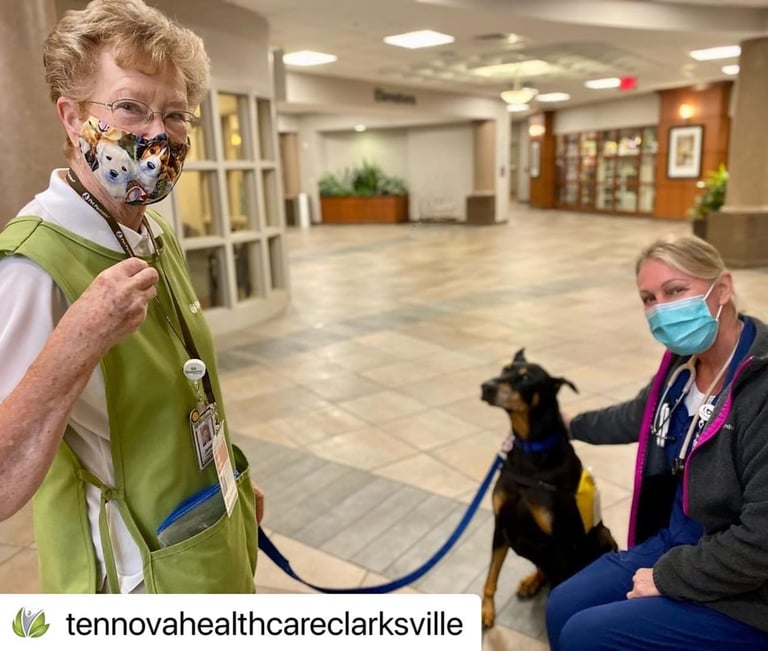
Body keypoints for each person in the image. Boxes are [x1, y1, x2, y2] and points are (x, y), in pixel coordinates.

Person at [0, 0, 263, 593]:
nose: (156, 133)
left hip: (198, 528)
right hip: (129, 576)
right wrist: (81, 336)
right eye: (129, 107)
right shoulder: (33, 263)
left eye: (176, 114)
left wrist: (225, 488)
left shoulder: (149, 230)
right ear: (71, 117)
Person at [544, 235, 768, 650]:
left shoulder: (761, 387)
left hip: (747, 587)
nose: (661, 309)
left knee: (585, 635)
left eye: (675, 291)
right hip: (678, 541)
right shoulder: (683, 366)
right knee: (562, 604)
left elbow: (761, 542)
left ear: (722, 288)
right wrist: (566, 424)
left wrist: (669, 577)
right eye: (648, 298)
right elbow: (638, 416)